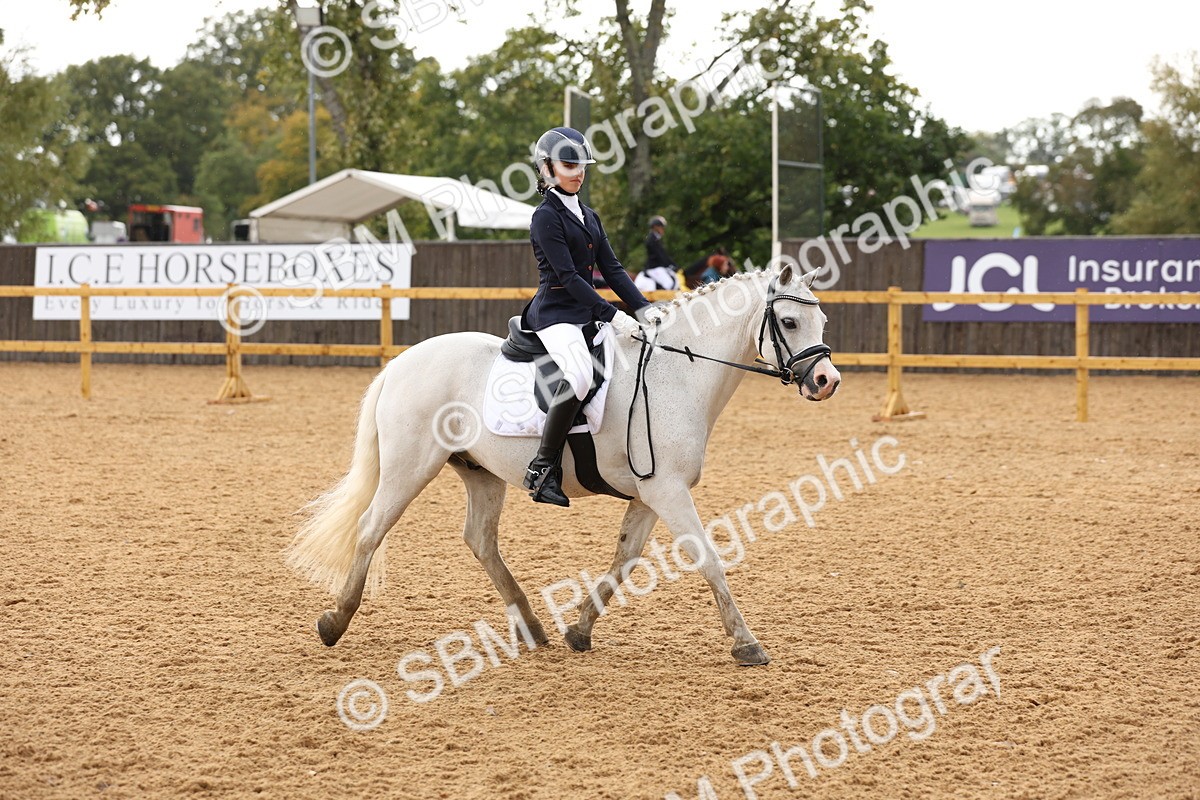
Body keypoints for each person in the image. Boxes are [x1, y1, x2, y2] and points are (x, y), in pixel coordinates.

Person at [521, 126, 663, 507]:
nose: (578, 172)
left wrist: (645, 307)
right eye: (569, 165)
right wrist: (613, 315)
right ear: (547, 168)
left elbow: (613, 268)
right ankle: (542, 468)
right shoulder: (545, 218)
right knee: (580, 375)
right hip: (555, 314)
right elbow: (567, 277)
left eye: (582, 165)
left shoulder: (588, 214)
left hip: (584, 313)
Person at [637, 215, 680, 291]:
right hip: (654, 267)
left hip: (660, 267)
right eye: (661, 227)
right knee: (669, 284)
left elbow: (664, 255)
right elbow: (660, 255)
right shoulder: (651, 239)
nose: (663, 229)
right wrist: (670, 265)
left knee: (675, 281)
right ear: (655, 227)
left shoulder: (657, 239)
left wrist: (673, 264)